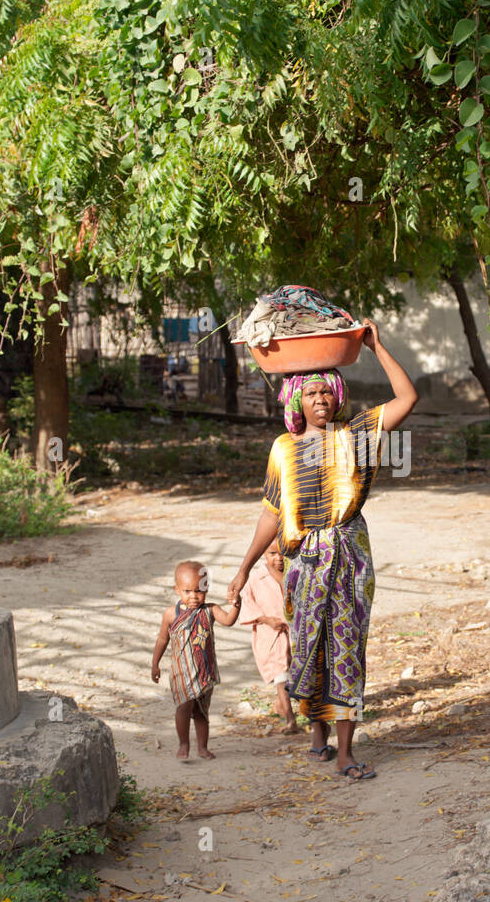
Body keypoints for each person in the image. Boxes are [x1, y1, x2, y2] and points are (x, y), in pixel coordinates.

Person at [228, 318, 418, 781]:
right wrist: (242, 569)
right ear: (296, 400)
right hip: (305, 562)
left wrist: (376, 345)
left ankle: (346, 751)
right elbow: (272, 513)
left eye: (327, 393)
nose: (320, 401)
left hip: (349, 552)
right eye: (310, 394)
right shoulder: (282, 450)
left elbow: (407, 399)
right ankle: (318, 734)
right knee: (309, 646)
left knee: (346, 646)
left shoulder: (356, 435)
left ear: (338, 397)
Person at [151, 560, 240, 761]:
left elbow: (229, 620)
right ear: (177, 590)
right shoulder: (170, 614)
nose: (194, 596)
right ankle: (184, 744)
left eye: (199, 591)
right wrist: (155, 664)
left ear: (207, 588)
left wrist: (236, 605)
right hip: (182, 673)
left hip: (204, 672)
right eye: (187, 591)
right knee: (183, 707)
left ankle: (202, 747)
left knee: (202, 712)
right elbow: (162, 638)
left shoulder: (210, 610)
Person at [237, 539, 298, 733]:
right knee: (281, 675)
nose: (278, 558)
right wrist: (266, 619)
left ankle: (287, 707)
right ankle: (290, 719)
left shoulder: (296, 572)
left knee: (298, 672)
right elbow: (246, 602)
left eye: (282, 553)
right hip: (270, 635)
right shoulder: (256, 578)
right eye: (272, 554)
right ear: (263, 553)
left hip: (296, 633)